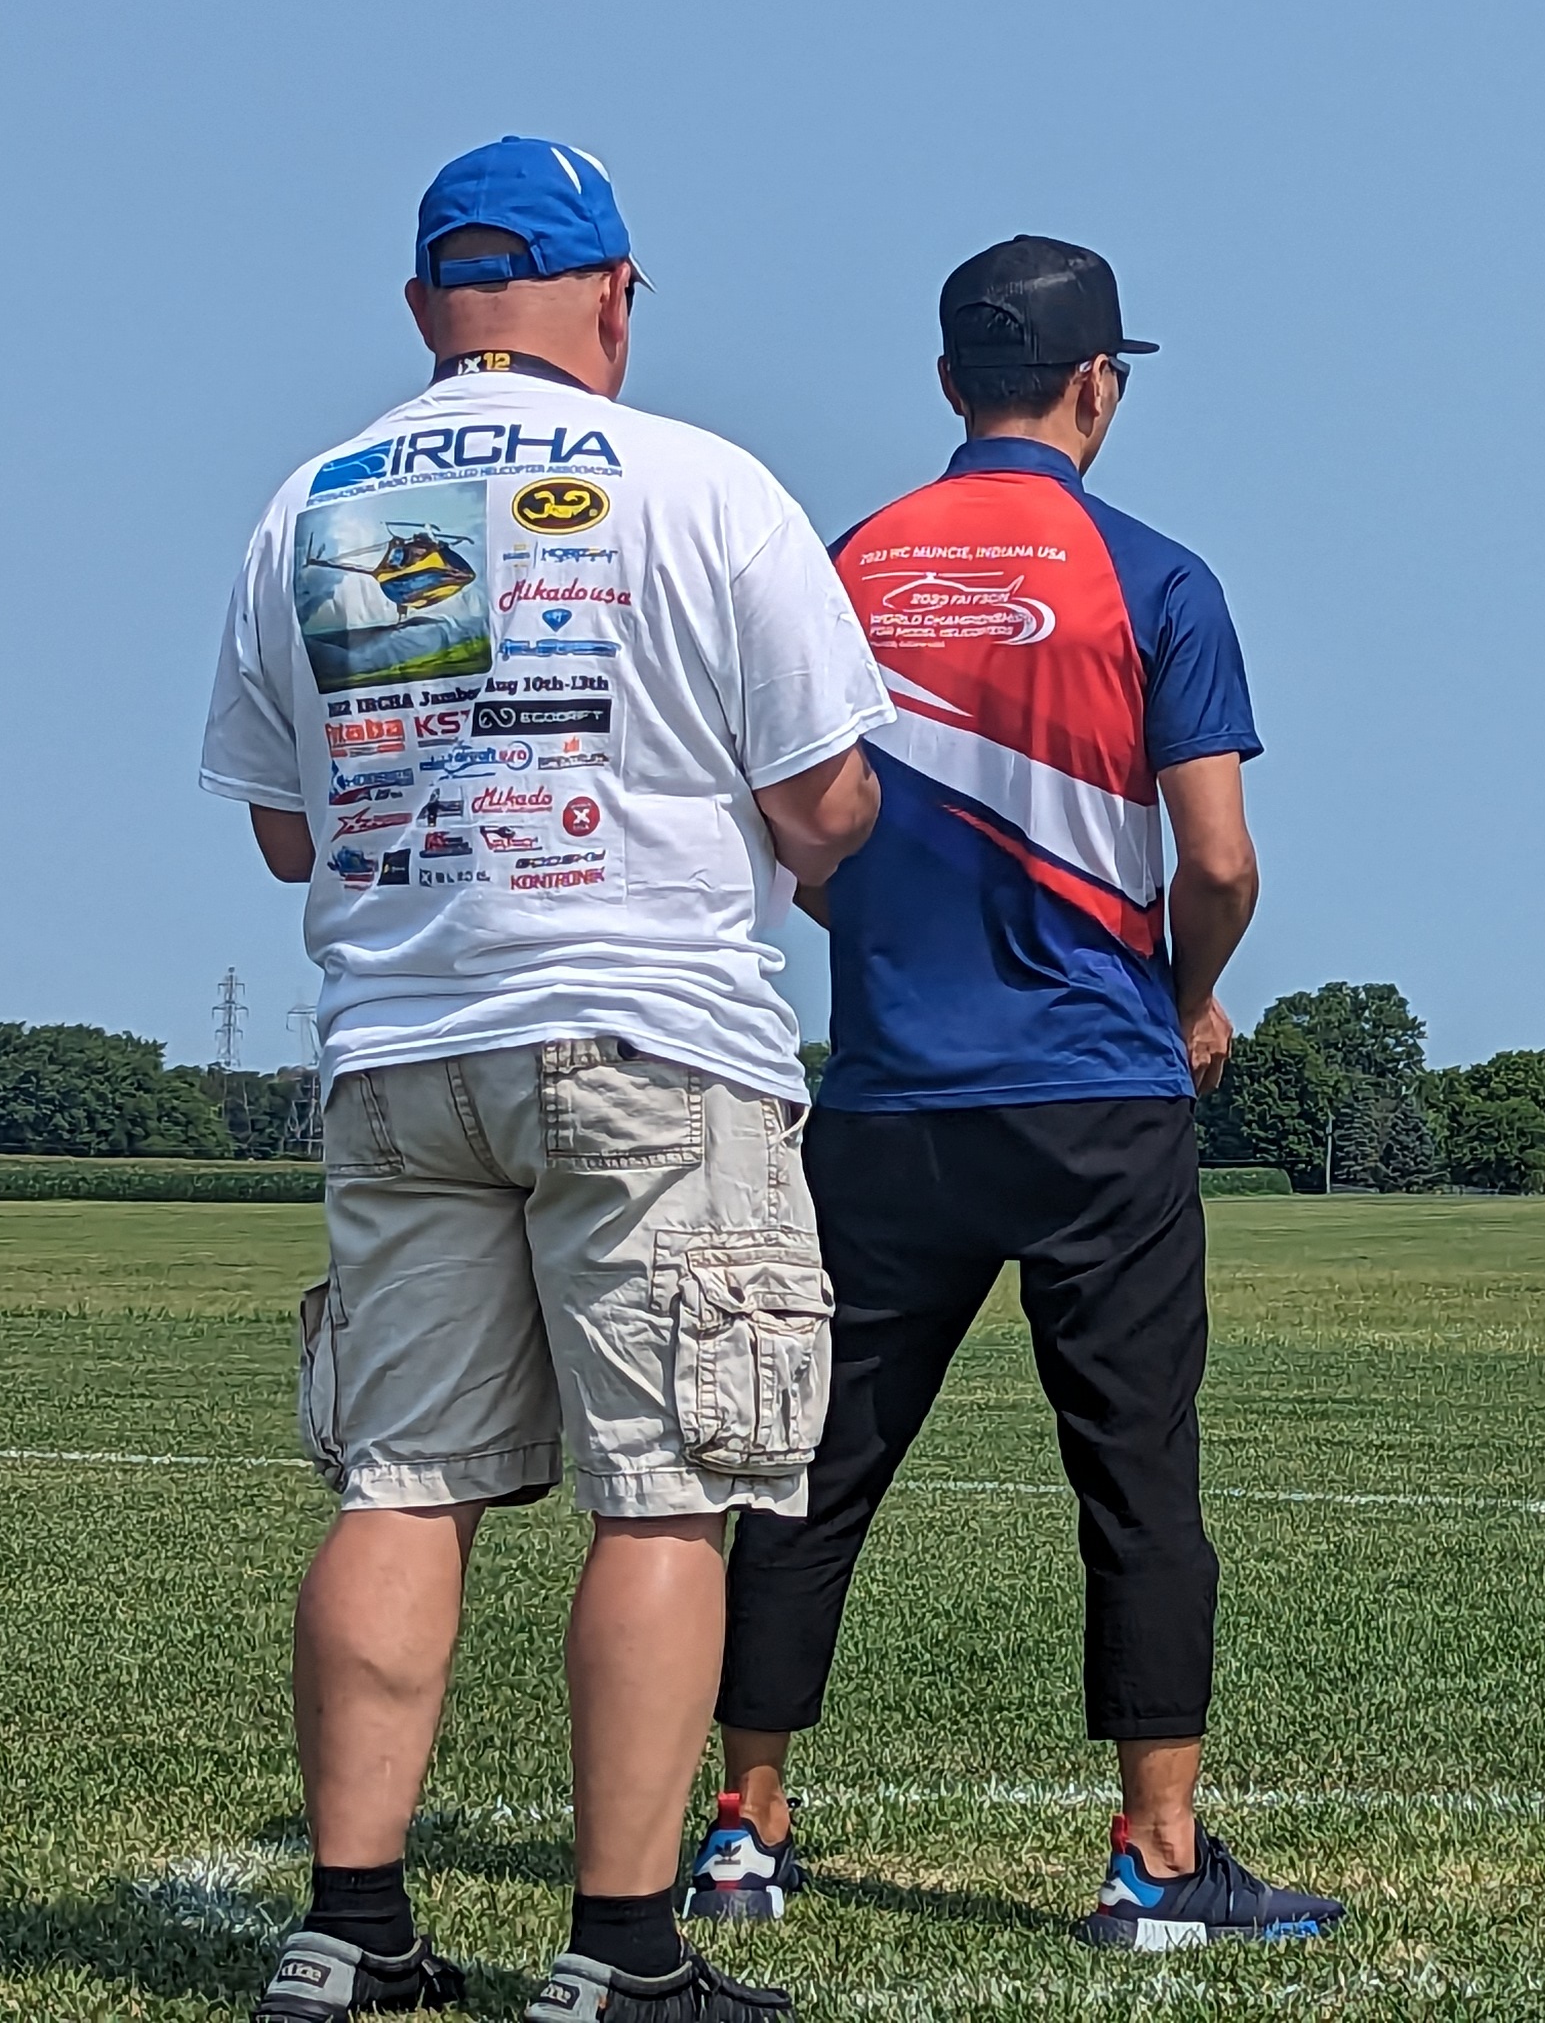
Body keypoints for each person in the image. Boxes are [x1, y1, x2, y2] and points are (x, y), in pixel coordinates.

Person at [198, 137, 892, 2023]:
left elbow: (282, 828)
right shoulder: (704, 484)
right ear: (616, 294)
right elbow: (827, 796)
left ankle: (350, 1928)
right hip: (653, 1039)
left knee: (401, 1483)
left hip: (399, 1046)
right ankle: (620, 1954)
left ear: (424, 307)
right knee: (664, 1493)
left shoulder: (316, 503)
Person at [688, 235, 1338, 1948]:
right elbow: (1219, 860)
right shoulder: (1157, 578)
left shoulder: (844, 566)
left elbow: (792, 834)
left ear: (948, 381)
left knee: (811, 1467)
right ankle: (1155, 1857)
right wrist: (1182, 1000)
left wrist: (897, 945)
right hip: (1096, 1097)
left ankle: (744, 1831)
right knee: (1137, 1481)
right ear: (1096, 383)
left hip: (888, 1098)